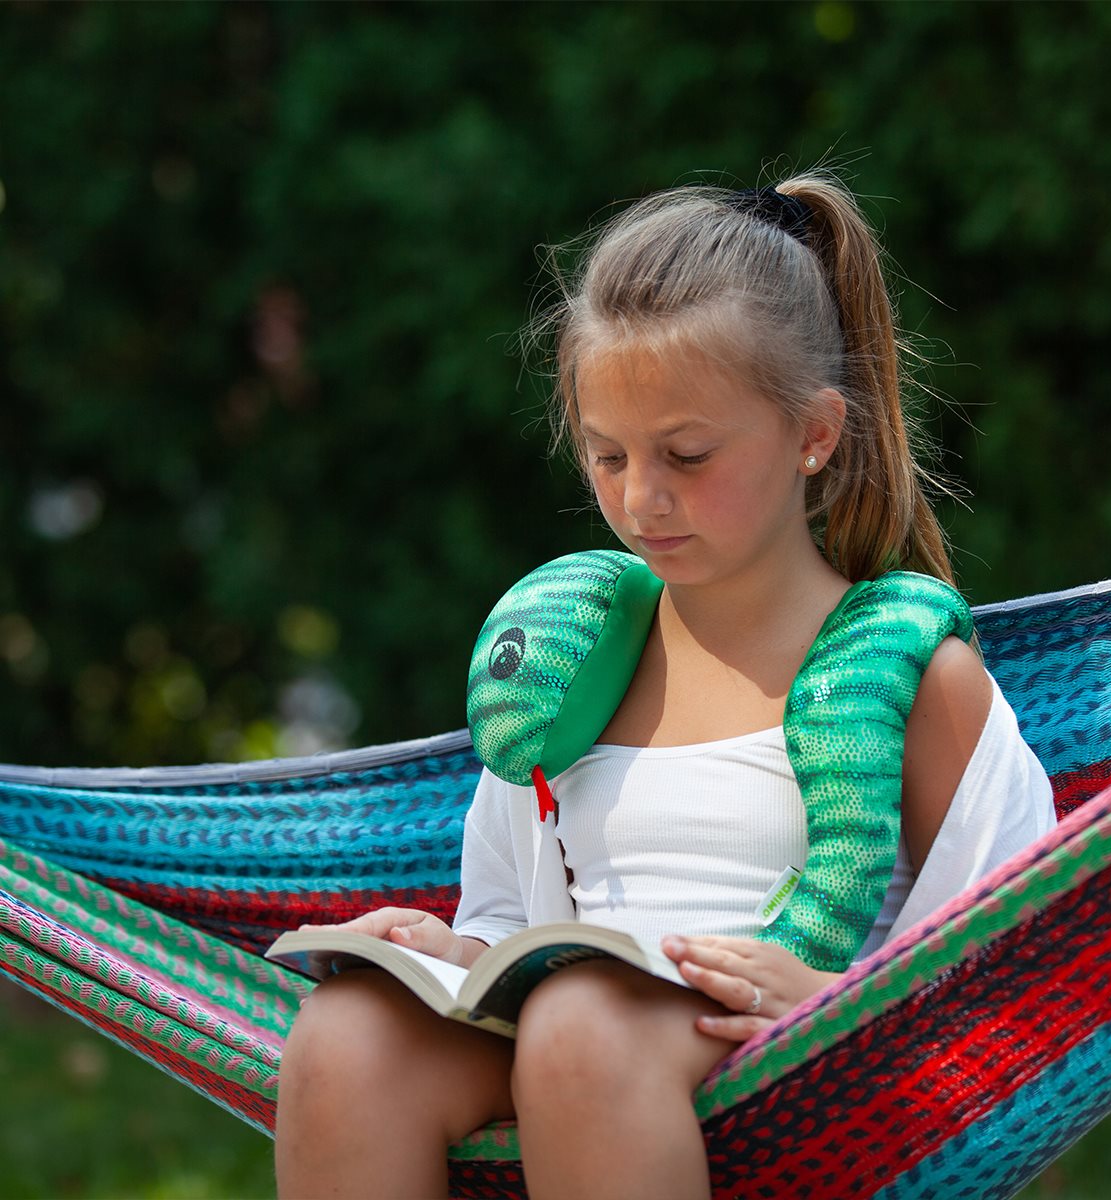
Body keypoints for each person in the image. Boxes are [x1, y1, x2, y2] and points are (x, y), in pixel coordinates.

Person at [273, 174, 1055, 1200]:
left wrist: (834, 999)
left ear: (814, 435)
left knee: (582, 1025)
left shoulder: (917, 680)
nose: (642, 498)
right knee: (346, 1035)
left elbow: (1028, 971)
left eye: (686, 455)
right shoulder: (569, 679)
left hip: (808, 1077)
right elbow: (515, 915)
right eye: (607, 456)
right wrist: (448, 949)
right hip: (565, 1051)